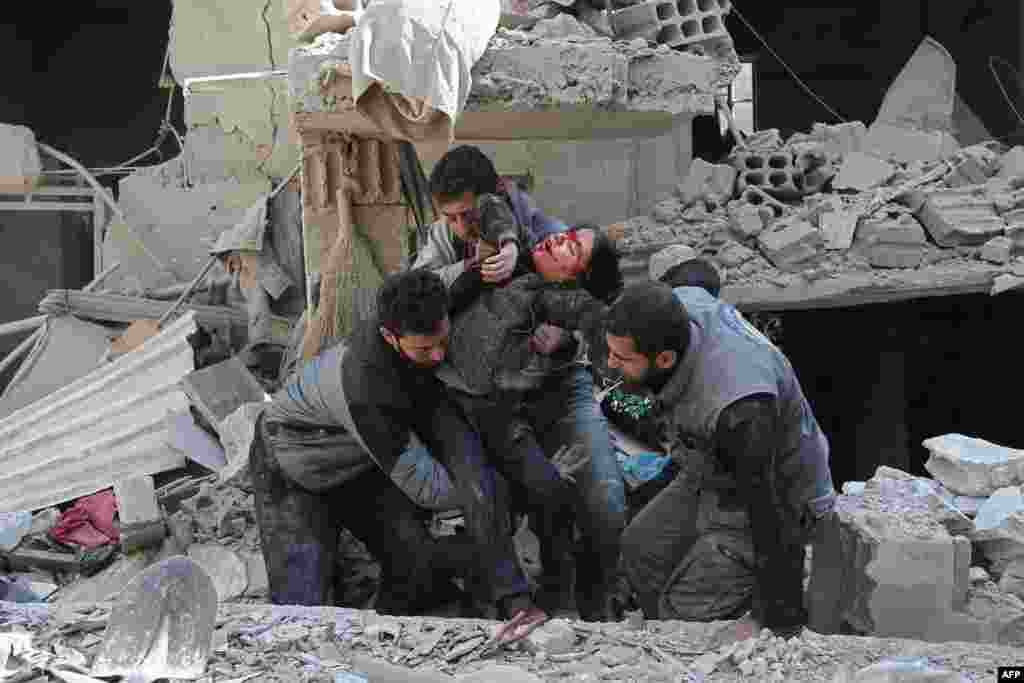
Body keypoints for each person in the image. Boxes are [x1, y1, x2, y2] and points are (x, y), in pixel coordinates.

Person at [250, 269, 543, 636]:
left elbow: (466, 278)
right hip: (292, 466)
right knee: (301, 613)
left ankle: (381, 636)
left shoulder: (425, 313)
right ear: (390, 336)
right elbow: (429, 490)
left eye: (442, 341)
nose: (438, 356)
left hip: (359, 459)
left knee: (415, 562)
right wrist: (496, 490)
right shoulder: (366, 389)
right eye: (424, 349)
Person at [412, 145, 628, 621]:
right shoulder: (446, 241)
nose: (459, 229)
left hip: (558, 385)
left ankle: (591, 606)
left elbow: (596, 310)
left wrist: (566, 336)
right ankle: (525, 601)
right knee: (509, 495)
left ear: (496, 197)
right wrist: (471, 269)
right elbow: (418, 294)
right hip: (489, 398)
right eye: (448, 218)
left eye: (467, 215)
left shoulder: (551, 238)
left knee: (603, 498)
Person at [592, 279, 836, 642]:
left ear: (664, 359)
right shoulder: (683, 305)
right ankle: (667, 626)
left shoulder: (740, 414)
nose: (611, 365)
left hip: (776, 493)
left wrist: (779, 622)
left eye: (623, 359)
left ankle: (712, 621)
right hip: (710, 464)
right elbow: (698, 274)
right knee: (640, 551)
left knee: (685, 617)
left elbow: (770, 516)